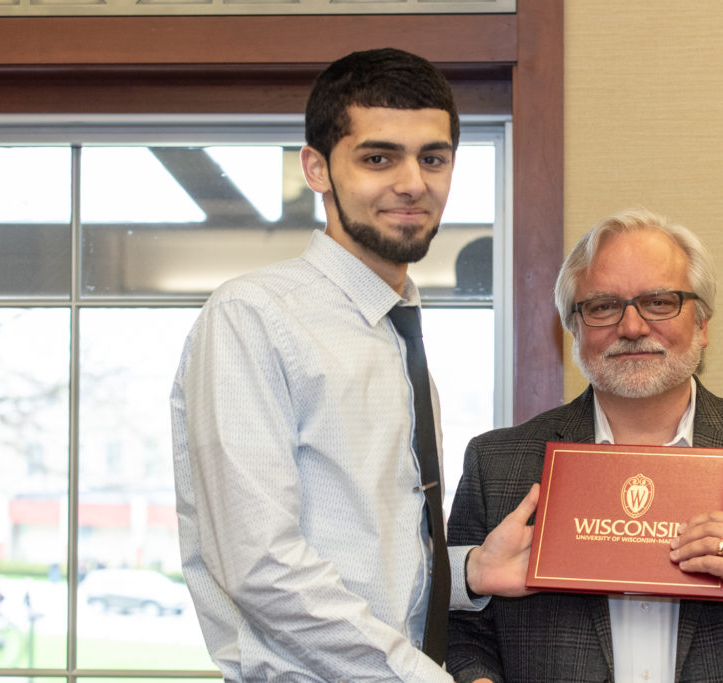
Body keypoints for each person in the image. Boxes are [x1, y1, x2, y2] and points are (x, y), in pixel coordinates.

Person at [171, 48, 537, 682]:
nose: (412, 182)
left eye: (433, 157)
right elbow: (260, 565)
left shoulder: (398, 327)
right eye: (378, 157)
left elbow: (371, 557)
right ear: (317, 168)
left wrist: (468, 571)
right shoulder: (252, 317)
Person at [446, 208, 723, 682]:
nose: (632, 327)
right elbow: (458, 629)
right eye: (603, 306)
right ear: (573, 328)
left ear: (703, 324)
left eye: (659, 302)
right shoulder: (497, 464)